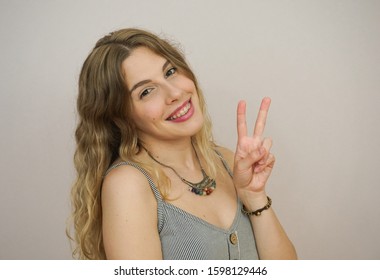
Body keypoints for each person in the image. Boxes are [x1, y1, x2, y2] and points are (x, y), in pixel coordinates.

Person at [68, 28, 297, 260]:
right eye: (146, 91)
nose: (175, 92)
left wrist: (254, 197)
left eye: (170, 72)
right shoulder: (129, 185)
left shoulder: (226, 160)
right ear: (121, 116)